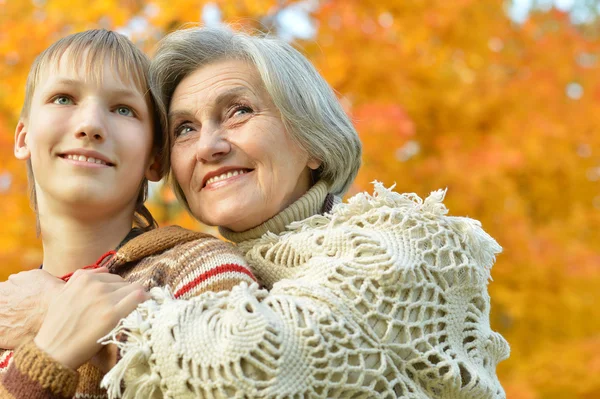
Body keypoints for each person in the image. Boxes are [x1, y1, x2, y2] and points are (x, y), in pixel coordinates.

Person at [2, 25, 510, 398]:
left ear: (312, 140)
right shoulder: (222, 273)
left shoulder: (405, 241)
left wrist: (62, 312)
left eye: (239, 110)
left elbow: (261, 365)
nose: (210, 145)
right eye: (184, 128)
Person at [0, 29, 256, 399]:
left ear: (155, 159)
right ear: (23, 137)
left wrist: (60, 347)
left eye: (123, 109)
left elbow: (244, 382)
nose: (90, 126)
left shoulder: (198, 269)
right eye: (63, 98)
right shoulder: (8, 311)